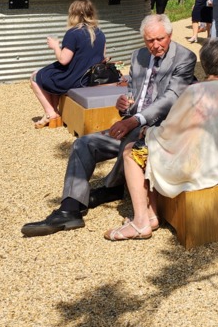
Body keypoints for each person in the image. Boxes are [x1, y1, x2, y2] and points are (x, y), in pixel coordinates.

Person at [21, 15, 197, 236]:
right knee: (83, 144)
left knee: (130, 143)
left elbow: (171, 98)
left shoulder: (184, 57)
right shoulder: (139, 56)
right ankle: (70, 209)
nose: (155, 45)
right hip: (133, 122)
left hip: (161, 128)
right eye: (149, 40)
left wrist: (135, 119)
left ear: (170, 35)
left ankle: (111, 188)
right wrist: (124, 106)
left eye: (160, 39)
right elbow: (132, 93)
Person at [105, 38, 218, 241]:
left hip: (193, 164)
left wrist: (148, 131)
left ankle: (140, 222)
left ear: (204, 65)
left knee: (132, 151)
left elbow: (170, 129)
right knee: (149, 149)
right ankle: (152, 214)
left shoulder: (193, 91)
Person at [29, 0, 107, 128]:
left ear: (73, 14)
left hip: (75, 79)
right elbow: (103, 58)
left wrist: (55, 46)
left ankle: (50, 113)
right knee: (51, 73)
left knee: (35, 77)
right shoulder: (99, 33)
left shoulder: (73, 33)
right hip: (89, 78)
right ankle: (55, 112)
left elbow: (64, 60)